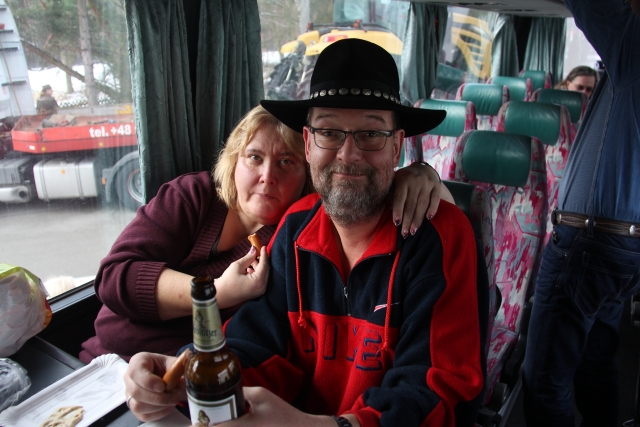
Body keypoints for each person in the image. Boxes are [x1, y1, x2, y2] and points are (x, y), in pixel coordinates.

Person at [123, 38, 488, 426]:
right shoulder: (295, 227)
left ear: (396, 146)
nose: (348, 154)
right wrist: (188, 375)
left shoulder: (442, 238)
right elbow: (257, 345)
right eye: (329, 132)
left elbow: (438, 393)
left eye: (371, 134)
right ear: (309, 143)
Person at [79, 106, 452, 363]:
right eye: (254, 157)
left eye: (286, 162)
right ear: (234, 160)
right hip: (99, 363)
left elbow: (420, 204)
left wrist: (422, 174)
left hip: (187, 381)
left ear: (308, 173)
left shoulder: (296, 236)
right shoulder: (192, 197)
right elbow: (113, 277)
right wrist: (217, 293)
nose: (267, 176)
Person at [523, 1, 640, 426]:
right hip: (625, 248)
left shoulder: (634, 43)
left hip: (591, 241)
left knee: (543, 381)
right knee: (596, 364)